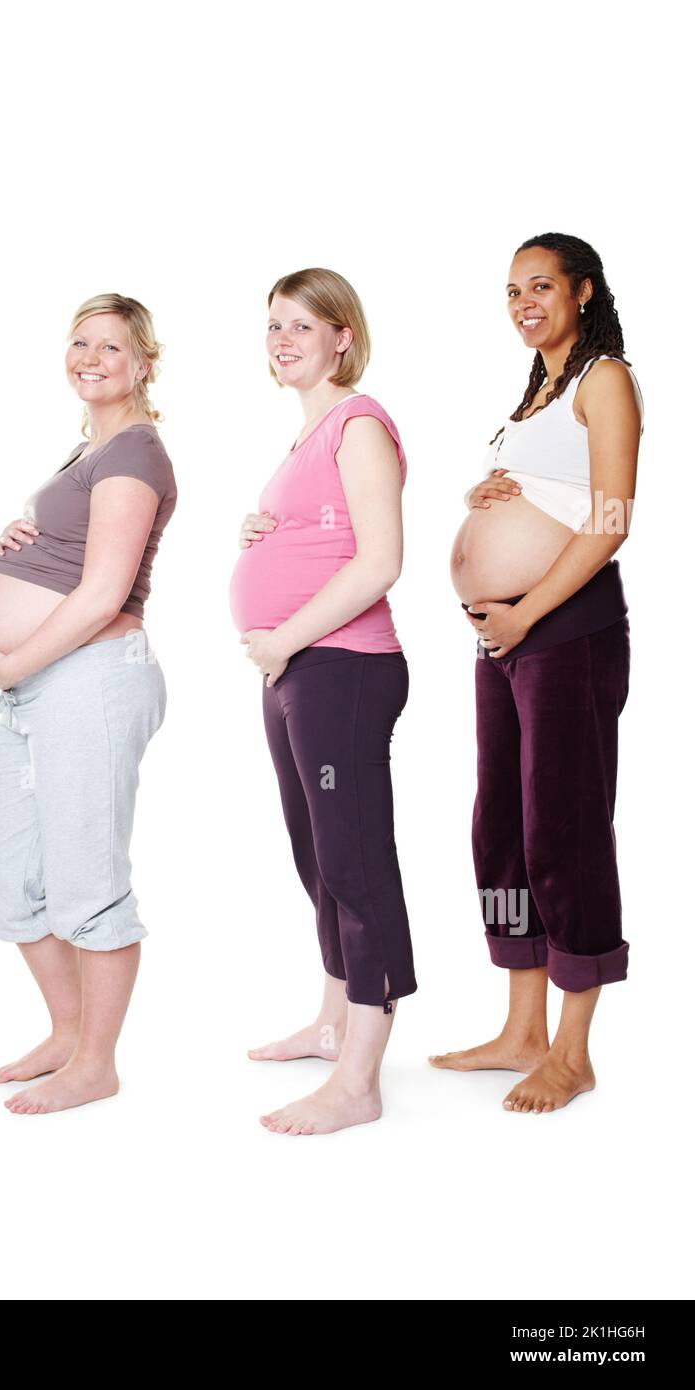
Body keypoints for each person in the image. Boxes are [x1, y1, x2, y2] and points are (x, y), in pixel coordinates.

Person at [432, 232, 643, 1114]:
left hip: (565, 634)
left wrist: (526, 609)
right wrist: (483, 492)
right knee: (503, 828)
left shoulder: (606, 380)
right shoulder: (537, 389)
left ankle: (572, 1048)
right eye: (512, 289)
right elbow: (539, 488)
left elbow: (608, 520)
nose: (524, 301)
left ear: (582, 292)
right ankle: (519, 1028)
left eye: (541, 286)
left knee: (564, 828)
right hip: (506, 641)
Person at [0, 293, 177, 1116]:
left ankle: (96, 1061)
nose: (89, 357)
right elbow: (69, 555)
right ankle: (65, 1032)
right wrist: (19, 533)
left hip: (89, 680)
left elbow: (101, 594)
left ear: (143, 366)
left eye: (111, 347)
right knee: (7, 881)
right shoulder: (87, 452)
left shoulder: (133, 452)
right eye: (79, 342)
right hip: (41, 686)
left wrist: (14, 655)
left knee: (87, 880)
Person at [230, 267, 414, 1136]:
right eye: (273, 325)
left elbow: (379, 562)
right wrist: (260, 533)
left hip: (341, 667)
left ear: (342, 335)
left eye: (302, 325)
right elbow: (320, 533)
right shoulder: (305, 436)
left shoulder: (358, 423)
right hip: (297, 668)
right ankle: (333, 1017)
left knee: (354, 865)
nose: (283, 339)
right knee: (316, 860)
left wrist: (283, 634)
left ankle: (358, 1081)